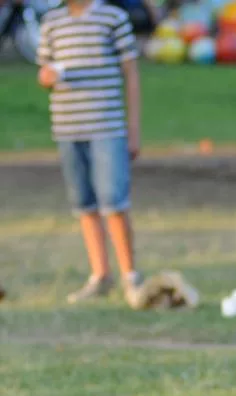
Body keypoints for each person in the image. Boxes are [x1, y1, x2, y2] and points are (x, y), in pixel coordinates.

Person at [37, 0, 146, 307]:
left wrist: (133, 128)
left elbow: (131, 74)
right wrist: (46, 78)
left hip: (107, 126)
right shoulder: (51, 21)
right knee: (84, 204)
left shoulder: (113, 18)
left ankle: (130, 277)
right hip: (68, 128)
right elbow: (43, 71)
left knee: (114, 201)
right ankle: (100, 275)